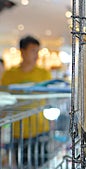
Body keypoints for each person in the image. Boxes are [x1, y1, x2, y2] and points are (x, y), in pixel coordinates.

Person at [1, 35, 52, 167]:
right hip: (18, 130)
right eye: (33, 51)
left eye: (38, 51)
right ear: (22, 52)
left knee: (42, 163)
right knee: (22, 164)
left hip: (41, 128)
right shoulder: (9, 74)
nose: (37, 55)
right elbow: (4, 100)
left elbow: (50, 100)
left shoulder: (44, 74)